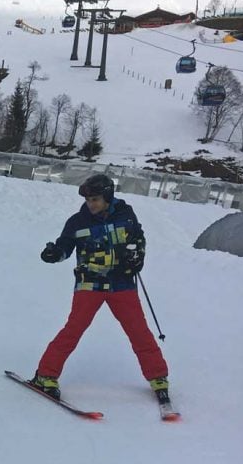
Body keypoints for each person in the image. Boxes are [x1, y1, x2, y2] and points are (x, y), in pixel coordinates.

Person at [32, 174, 171, 405]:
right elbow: (65, 245)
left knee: (139, 332)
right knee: (74, 329)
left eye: (95, 199)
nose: (91, 204)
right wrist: (55, 253)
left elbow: (138, 239)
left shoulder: (126, 214)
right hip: (90, 284)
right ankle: (45, 375)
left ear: (108, 197)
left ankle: (158, 378)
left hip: (122, 284)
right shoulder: (77, 221)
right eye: (88, 200)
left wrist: (138, 257)